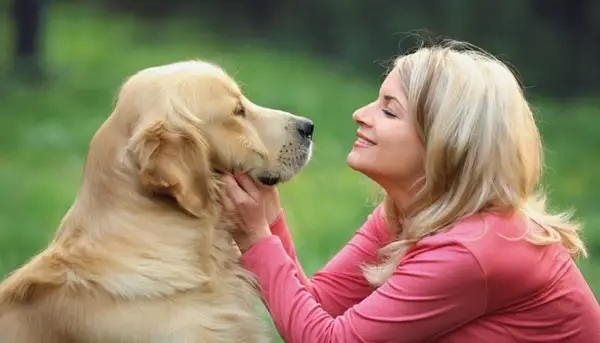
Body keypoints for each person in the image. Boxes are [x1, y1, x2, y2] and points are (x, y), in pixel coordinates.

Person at [221, 40, 600, 343]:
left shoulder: (469, 251)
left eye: (389, 111)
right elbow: (320, 308)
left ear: (445, 143)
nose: (360, 114)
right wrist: (267, 220)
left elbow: (325, 339)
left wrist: (256, 238)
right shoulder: (408, 213)